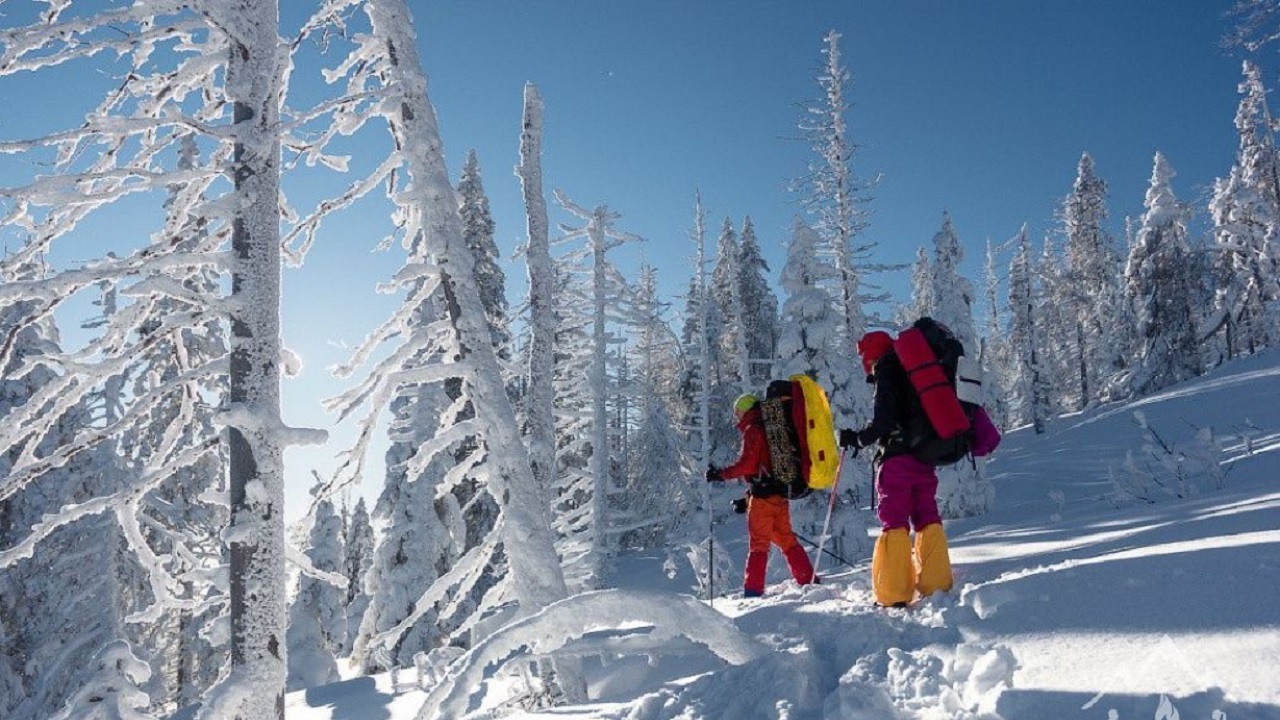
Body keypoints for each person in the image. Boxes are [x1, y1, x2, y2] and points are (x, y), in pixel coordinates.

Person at [839, 330, 1001, 607]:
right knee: (927, 515)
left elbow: (884, 421)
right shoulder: (912, 370)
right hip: (924, 457)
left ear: (869, 355)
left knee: (894, 518)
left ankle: (893, 592)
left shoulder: (886, 370)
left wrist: (857, 438)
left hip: (897, 459)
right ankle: (936, 582)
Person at [706, 393, 816, 598]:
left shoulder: (752, 430)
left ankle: (753, 591)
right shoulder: (770, 428)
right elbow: (766, 468)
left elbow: (748, 465)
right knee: (787, 540)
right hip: (778, 495)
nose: (736, 416)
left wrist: (720, 474)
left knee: (758, 545)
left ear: (746, 410)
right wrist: (747, 499)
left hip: (763, 499)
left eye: (738, 411)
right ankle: (807, 579)